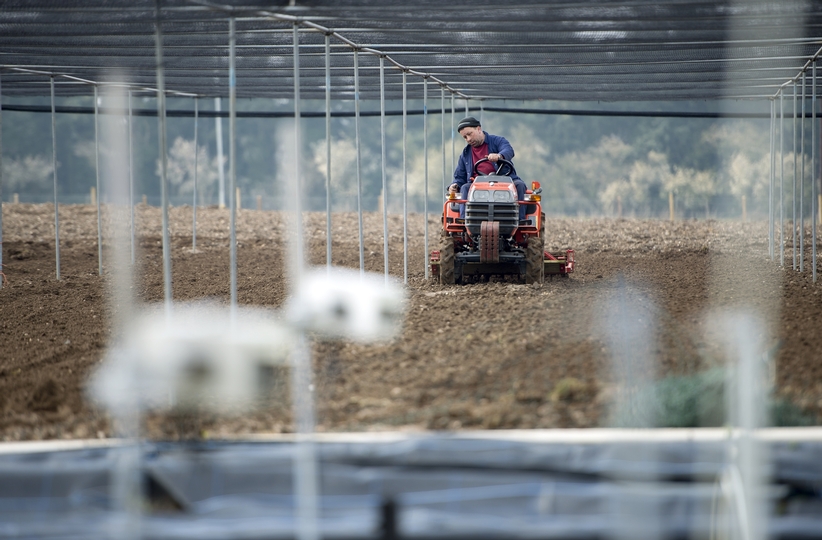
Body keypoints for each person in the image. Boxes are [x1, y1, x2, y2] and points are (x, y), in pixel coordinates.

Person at [447, 116, 527, 219]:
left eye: (470, 134)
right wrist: (454, 185)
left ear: (478, 129)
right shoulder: (465, 154)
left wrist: (499, 156)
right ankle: (465, 222)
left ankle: (519, 220)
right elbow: (460, 176)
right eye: (465, 137)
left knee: (520, 185)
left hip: (505, 181)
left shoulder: (497, 141)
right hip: (477, 184)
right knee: (465, 187)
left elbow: (508, 150)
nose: (469, 139)